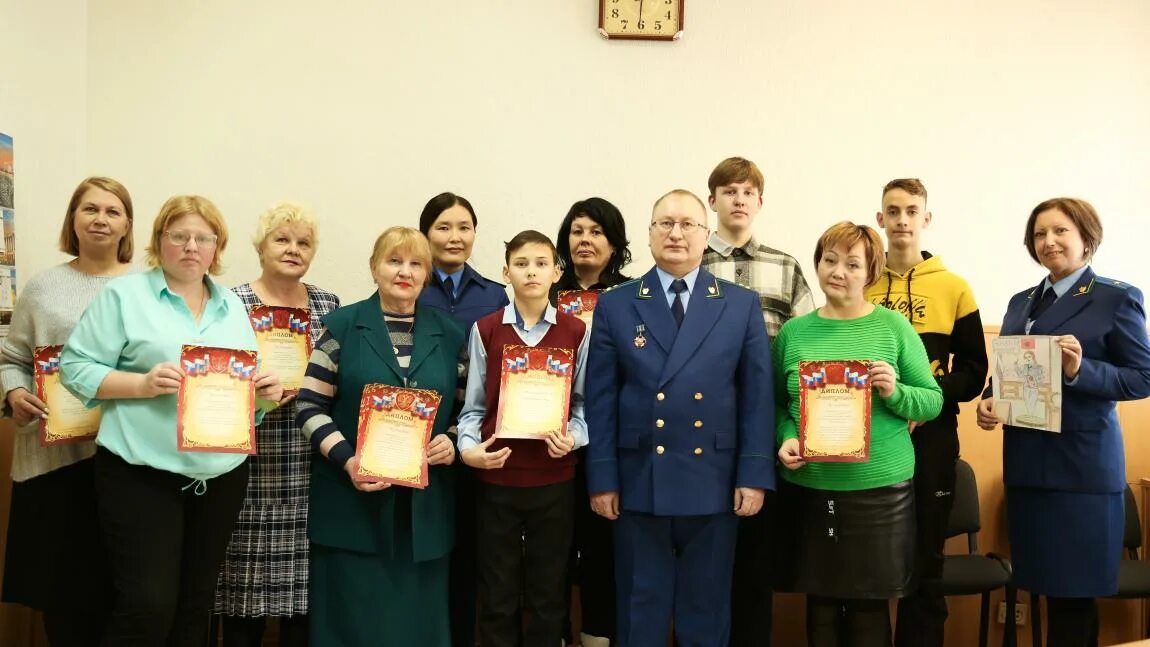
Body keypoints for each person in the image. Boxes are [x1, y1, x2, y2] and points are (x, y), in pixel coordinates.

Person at [60, 195, 284, 646]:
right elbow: (74, 367)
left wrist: (264, 398)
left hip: (219, 479)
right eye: (178, 236)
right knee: (147, 605)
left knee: (196, 604)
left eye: (203, 238)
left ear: (216, 248)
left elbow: (243, 398)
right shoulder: (125, 296)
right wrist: (139, 384)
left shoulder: (234, 307)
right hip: (141, 474)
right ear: (159, 242)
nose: (190, 247)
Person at [586, 189, 775, 646]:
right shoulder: (616, 303)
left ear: (706, 234)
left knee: (705, 610)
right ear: (649, 234)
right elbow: (601, 397)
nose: (676, 233)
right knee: (639, 606)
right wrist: (603, 478)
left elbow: (756, 396)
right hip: (638, 477)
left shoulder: (739, 303)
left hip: (714, 476)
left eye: (688, 224)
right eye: (664, 223)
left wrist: (753, 473)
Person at [976, 198, 1150, 647]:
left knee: (1074, 599)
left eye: (1060, 231)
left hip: (1080, 472)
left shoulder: (1116, 297)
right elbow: (1011, 370)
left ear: (1086, 238)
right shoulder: (1020, 303)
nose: (1048, 241)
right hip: (1028, 466)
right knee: (1044, 588)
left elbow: (1142, 377)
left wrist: (1079, 371)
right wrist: (990, 400)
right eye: (1039, 234)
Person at [775, 221, 943, 647]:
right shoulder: (794, 332)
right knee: (821, 610)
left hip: (879, 491)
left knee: (870, 613)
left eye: (853, 264)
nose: (839, 271)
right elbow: (779, 403)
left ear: (870, 272)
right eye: (830, 260)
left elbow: (932, 400)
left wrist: (896, 391)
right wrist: (786, 437)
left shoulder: (894, 328)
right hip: (812, 488)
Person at [296, 226, 465, 646]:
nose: (404, 272)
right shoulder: (341, 326)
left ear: (427, 274)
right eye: (394, 261)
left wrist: (454, 439)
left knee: (416, 629)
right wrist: (348, 460)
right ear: (374, 267)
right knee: (349, 626)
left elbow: (468, 412)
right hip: (351, 508)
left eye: (415, 263)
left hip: (423, 517)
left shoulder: (452, 335)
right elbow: (309, 407)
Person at [0, 177, 135, 645]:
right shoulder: (43, 286)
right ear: (73, 219)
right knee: (64, 599)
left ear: (127, 226)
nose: (100, 219)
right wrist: (14, 394)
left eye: (112, 211)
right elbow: (12, 359)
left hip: (126, 461)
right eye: (90, 209)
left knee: (124, 595)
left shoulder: (149, 288)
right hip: (54, 464)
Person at [864, 178, 988, 647]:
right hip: (871, 437)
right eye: (892, 211)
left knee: (927, 559)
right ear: (880, 218)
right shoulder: (863, 281)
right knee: (870, 557)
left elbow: (975, 371)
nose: (901, 220)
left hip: (934, 436)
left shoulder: (955, 288)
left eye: (911, 211)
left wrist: (924, 400)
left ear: (926, 219)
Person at [214, 201, 341, 646]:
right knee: (241, 607)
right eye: (282, 239)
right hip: (245, 466)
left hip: (309, 466)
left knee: (303, 609)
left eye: (303, 242)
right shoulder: (229, 302)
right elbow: (211, 378)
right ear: (261, 246)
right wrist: (254, 389)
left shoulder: (329, 304)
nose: (293, 249)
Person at [700, 156, 814, 646]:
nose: (739, 199)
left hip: (766, 428)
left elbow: (809, 344)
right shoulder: (690, 263)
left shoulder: (784, 267)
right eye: (729, 191)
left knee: (755, 559)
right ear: (713, 201)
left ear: (760, 202)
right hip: (701, 430)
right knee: (704, 560)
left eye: (748, 192)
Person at [457, 229, 589, 647]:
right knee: (497, 593)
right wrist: (468, 451)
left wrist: (573, 437)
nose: (531, 272)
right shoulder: (486, 330)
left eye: (540, 263)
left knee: (549, 593)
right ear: (505, 272)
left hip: (554, 479)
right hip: (497, 479)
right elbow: (474, 408)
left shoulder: (576, 331)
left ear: (556, 271)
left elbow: (583, 406)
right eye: (521, 264)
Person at [416, 191, 509, 647]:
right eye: (443, 227)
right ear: (425, 234)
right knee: (425, 552)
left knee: (472, 553)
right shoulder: (410, 285)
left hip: (475, 441)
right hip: (416, 441)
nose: (455, 237)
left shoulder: (495, 295)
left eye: (464, 227)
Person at [551, 197, 631, 647]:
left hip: (615, 441)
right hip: (552, 439)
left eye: (597, 231)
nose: (585, 239)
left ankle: (599, 635)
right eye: (577, 231)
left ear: (615, 242)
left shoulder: (634, 294)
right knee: (554, 551)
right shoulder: (544, 291)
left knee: (605, 549)